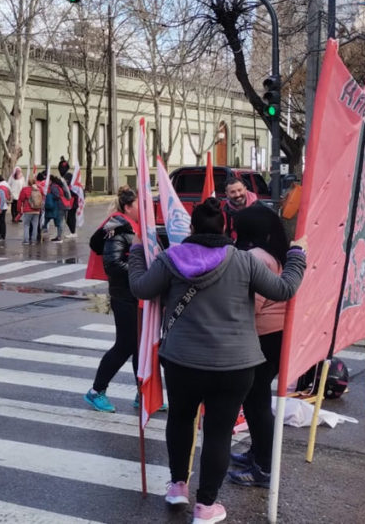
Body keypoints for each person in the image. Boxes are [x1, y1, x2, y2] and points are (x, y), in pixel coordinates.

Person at [128, 197, 306, 524]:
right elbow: (284, 289)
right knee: (218, 432)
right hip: (234, 364)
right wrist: (297, 255)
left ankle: (178, 486)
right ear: (225, 228)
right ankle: (206, 506)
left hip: (182, 360)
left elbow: (140, 287)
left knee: (180, 420)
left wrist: (138, 252)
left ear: (191, 228)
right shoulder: (243, 261)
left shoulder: (170, 258)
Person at [227, 205, 292, 488]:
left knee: (257, 404)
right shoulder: (273, 254)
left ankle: (264, 468)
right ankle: (258, 454)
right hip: (273, 336)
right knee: (256, 401)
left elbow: (252, 304)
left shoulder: (255, 258)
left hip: (261, 338)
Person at [84, 188, 140, 413]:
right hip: (124, 295)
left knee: (141, 347)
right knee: (125, 345)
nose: (143, 208)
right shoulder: (117, 227)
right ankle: (96, 391)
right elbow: (113, 264)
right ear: (127, 207)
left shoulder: (134, 226)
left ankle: (144, 394)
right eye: (139, 204)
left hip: (136, 293)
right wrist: (140, 272)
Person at [42, 174, 68, 242]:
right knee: (59, 222)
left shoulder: (53, 187)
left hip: (59, 206)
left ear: (50, 180)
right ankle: (59, 236)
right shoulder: (57, 185)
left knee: (59, 222)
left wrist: (49, 197)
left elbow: (57, 195)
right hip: (61, 205)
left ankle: (59, 237)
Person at [18, 175, 41, 245]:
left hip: (28, 210)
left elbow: (20, 200)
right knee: (35, 225)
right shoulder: (38, 189)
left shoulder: (25, 189)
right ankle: (34, 240)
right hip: (37, 210)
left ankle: (26, 240)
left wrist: (19, 210)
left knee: (26, 225)